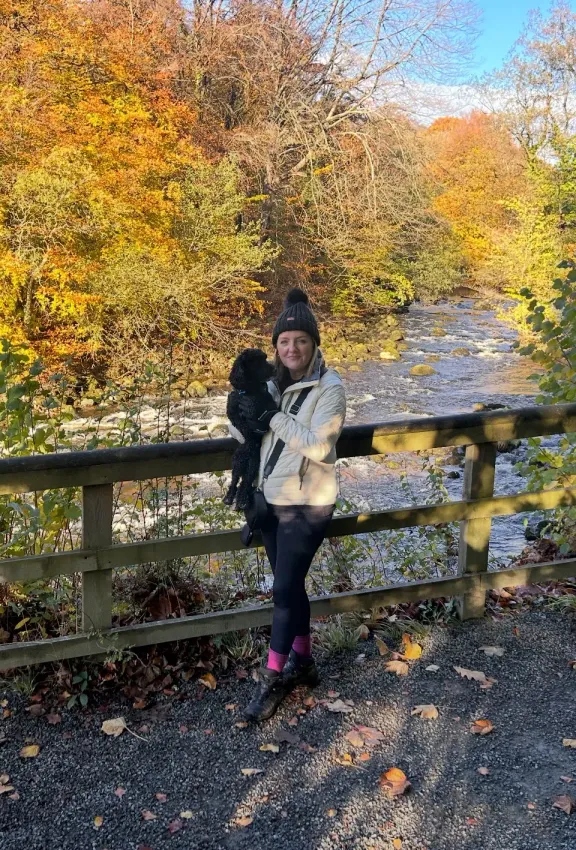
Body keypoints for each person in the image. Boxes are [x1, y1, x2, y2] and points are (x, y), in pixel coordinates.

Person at [229, 288, 346, 722]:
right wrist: (240, 411)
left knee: (281, 590)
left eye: (300, 340)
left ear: (313, 343)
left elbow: (319, 446)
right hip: (271, 500)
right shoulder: (271, 384)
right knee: (291, 587)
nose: (291, 348)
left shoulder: (330, 388)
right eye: (284, 341)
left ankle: (272, 678)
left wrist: (272, 416)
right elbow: (249, 436)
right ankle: (305, 664)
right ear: (276, 346)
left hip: (307, 502)